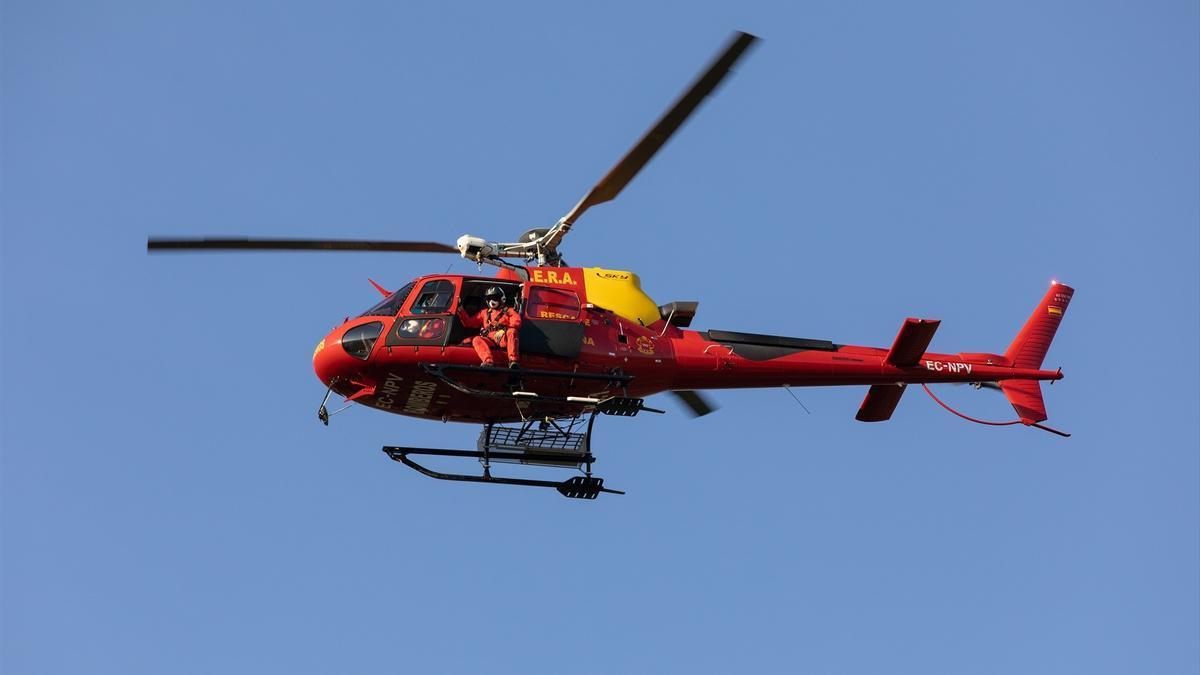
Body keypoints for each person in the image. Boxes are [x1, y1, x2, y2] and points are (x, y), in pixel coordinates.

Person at [460, 286, 522, 368]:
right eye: (489, 298)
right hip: (490, 340)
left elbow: (516, 322)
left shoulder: (509, 311)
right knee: (477, 339)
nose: (492, 301)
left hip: (504, 339)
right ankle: (488, 362)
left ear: (501, 299)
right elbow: (469, 323)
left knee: (512, 331)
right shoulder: (484, 313)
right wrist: (460, 309)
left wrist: (504, 330)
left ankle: (513, 361)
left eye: (495, 298)